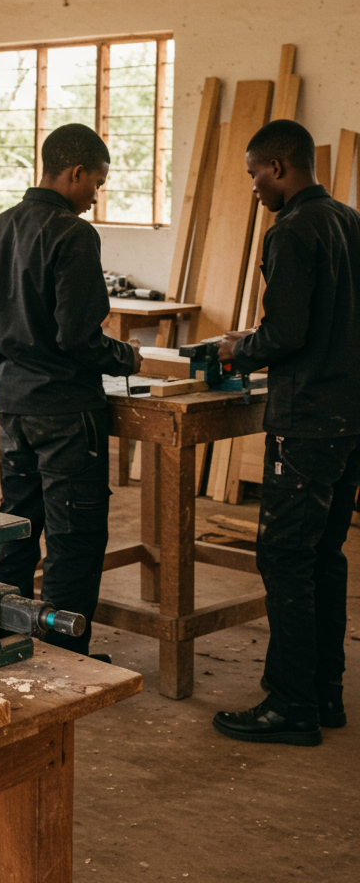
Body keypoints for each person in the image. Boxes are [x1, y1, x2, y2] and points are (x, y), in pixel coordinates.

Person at [212, 119, 360, 747]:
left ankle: (291, 704)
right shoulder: (349, 221)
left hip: (305, 421)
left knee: (285, 558)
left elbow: (286, 334)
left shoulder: (293, 230)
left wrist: (237, 349)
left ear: (278, 166)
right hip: (348, 418)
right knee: (324, 554)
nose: (253, 188)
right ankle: (325, 692)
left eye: (254, 174)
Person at [0, 123, 140, 656]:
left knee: (17, 528)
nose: (96, 195)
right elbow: (78, 338)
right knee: (74, 538)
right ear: (76, 172)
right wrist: (127, 357)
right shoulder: (73, 234)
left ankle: (6, 642)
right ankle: (67, 662)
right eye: (97, 183)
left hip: (13, 405)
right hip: (67, 412)